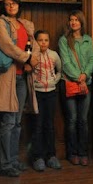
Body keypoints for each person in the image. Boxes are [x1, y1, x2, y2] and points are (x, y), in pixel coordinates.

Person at [0, 0, 36, 177]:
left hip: (22, 77)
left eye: (14, 3)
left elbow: (33, 45)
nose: (11, 6)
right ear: (4, 6)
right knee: (8, 122)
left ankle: (14, 160)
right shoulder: (0, 23)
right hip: (7, 77)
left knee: (17, 122)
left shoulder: (24, 24)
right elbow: (6, 46)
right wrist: (26, 59)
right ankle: (4, 164)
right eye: (7, 4)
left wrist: (32, 61)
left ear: (19, 5)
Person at [58, 10, 93, 166]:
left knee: (83, 120)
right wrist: (78, 77)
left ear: (81, 22)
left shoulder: (88, 40)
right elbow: (66, 62)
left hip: (85, 84)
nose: (73, 22)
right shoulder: (64, 40)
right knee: (72, 119)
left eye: (76, 20)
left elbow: (92, 59)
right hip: (69, 82)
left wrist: (85, 75)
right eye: (71, 19)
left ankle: (83, 152)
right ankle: (72, 153)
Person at [30, 30, 62, 171]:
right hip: (37, 93)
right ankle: (37, 157)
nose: (43, 43)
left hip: (51, 93)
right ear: (35, 41)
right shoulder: (32, 55)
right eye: (40, 40)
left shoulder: (54, 55)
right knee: (38, 125)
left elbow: (60, 70)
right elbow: (28, 71)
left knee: (49, 125)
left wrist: (55, 80)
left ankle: (51, 156)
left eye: (46, 40)